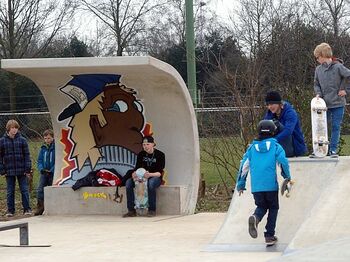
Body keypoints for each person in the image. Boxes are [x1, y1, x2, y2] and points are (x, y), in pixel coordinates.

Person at [236, 120, 291, 246]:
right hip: (271, 186)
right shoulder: (276, 146)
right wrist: (286, 176)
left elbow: (243, 167)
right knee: (273, 208)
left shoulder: (250, 149)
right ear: (273, 132)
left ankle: (256, 217)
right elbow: (283, 161)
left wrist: (241, 184)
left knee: (261, 207)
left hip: (257, 188)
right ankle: (269, 235)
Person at [313, 42, 350, 158]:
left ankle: (333, 150)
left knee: (335, 126)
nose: (317, 59)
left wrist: (346, 90)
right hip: (324, 105)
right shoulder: (318, 70)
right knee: (321, 127)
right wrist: (318, 94)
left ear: (323, 55)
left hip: (338, 103)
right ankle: (320, 149)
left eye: (317, 57)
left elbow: (348, 76)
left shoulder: (338, 67)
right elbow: (316, 84)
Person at [122, 136, 165, 217]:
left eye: (147, 144)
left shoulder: (160, 155)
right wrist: (134, 174)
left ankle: (152, 210)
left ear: (153, 144)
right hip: (141, 176)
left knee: (151, 184)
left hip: (154, 176)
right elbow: (136, 168)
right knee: (128, 183)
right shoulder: (141, 154)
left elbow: (160, 173)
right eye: (144, 144)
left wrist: (150, 175)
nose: (145, 146)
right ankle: (131, 210)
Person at [0, 120, 32, 217]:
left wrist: (27, 169)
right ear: (8, 129)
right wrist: (2, 170)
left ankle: (27, 209)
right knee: (10, 191)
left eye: (16, 128)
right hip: (8, 171)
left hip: (21, 170)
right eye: (12, 128)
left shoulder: (22, 140)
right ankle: (10, 210)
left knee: (24, 190)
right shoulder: (2, 141)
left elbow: (27, 155)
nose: (14, 130)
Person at [264, 90, 307, 157]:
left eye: (272, 104)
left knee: (278, 126)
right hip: (279, 148)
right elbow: (265, 127)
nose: (270, 107)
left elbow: (288, 131)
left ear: (279, 103)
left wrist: (274, 140)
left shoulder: (290, 113)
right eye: (268, 105)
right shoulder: (270, 113)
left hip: (294, 147)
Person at [34, 129, 55, 216]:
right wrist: (41, 169)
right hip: (44, 172)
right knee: (40, 189)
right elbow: (39, 160)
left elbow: (57, 160)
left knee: (52, 189)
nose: (47, 140)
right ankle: (40, 207)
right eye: (45, 138)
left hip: (52, 173)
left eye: (49, 138)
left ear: (53, 138)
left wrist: (52, 170)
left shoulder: (56, 148)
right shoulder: (43, 148)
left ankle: (52, 207)